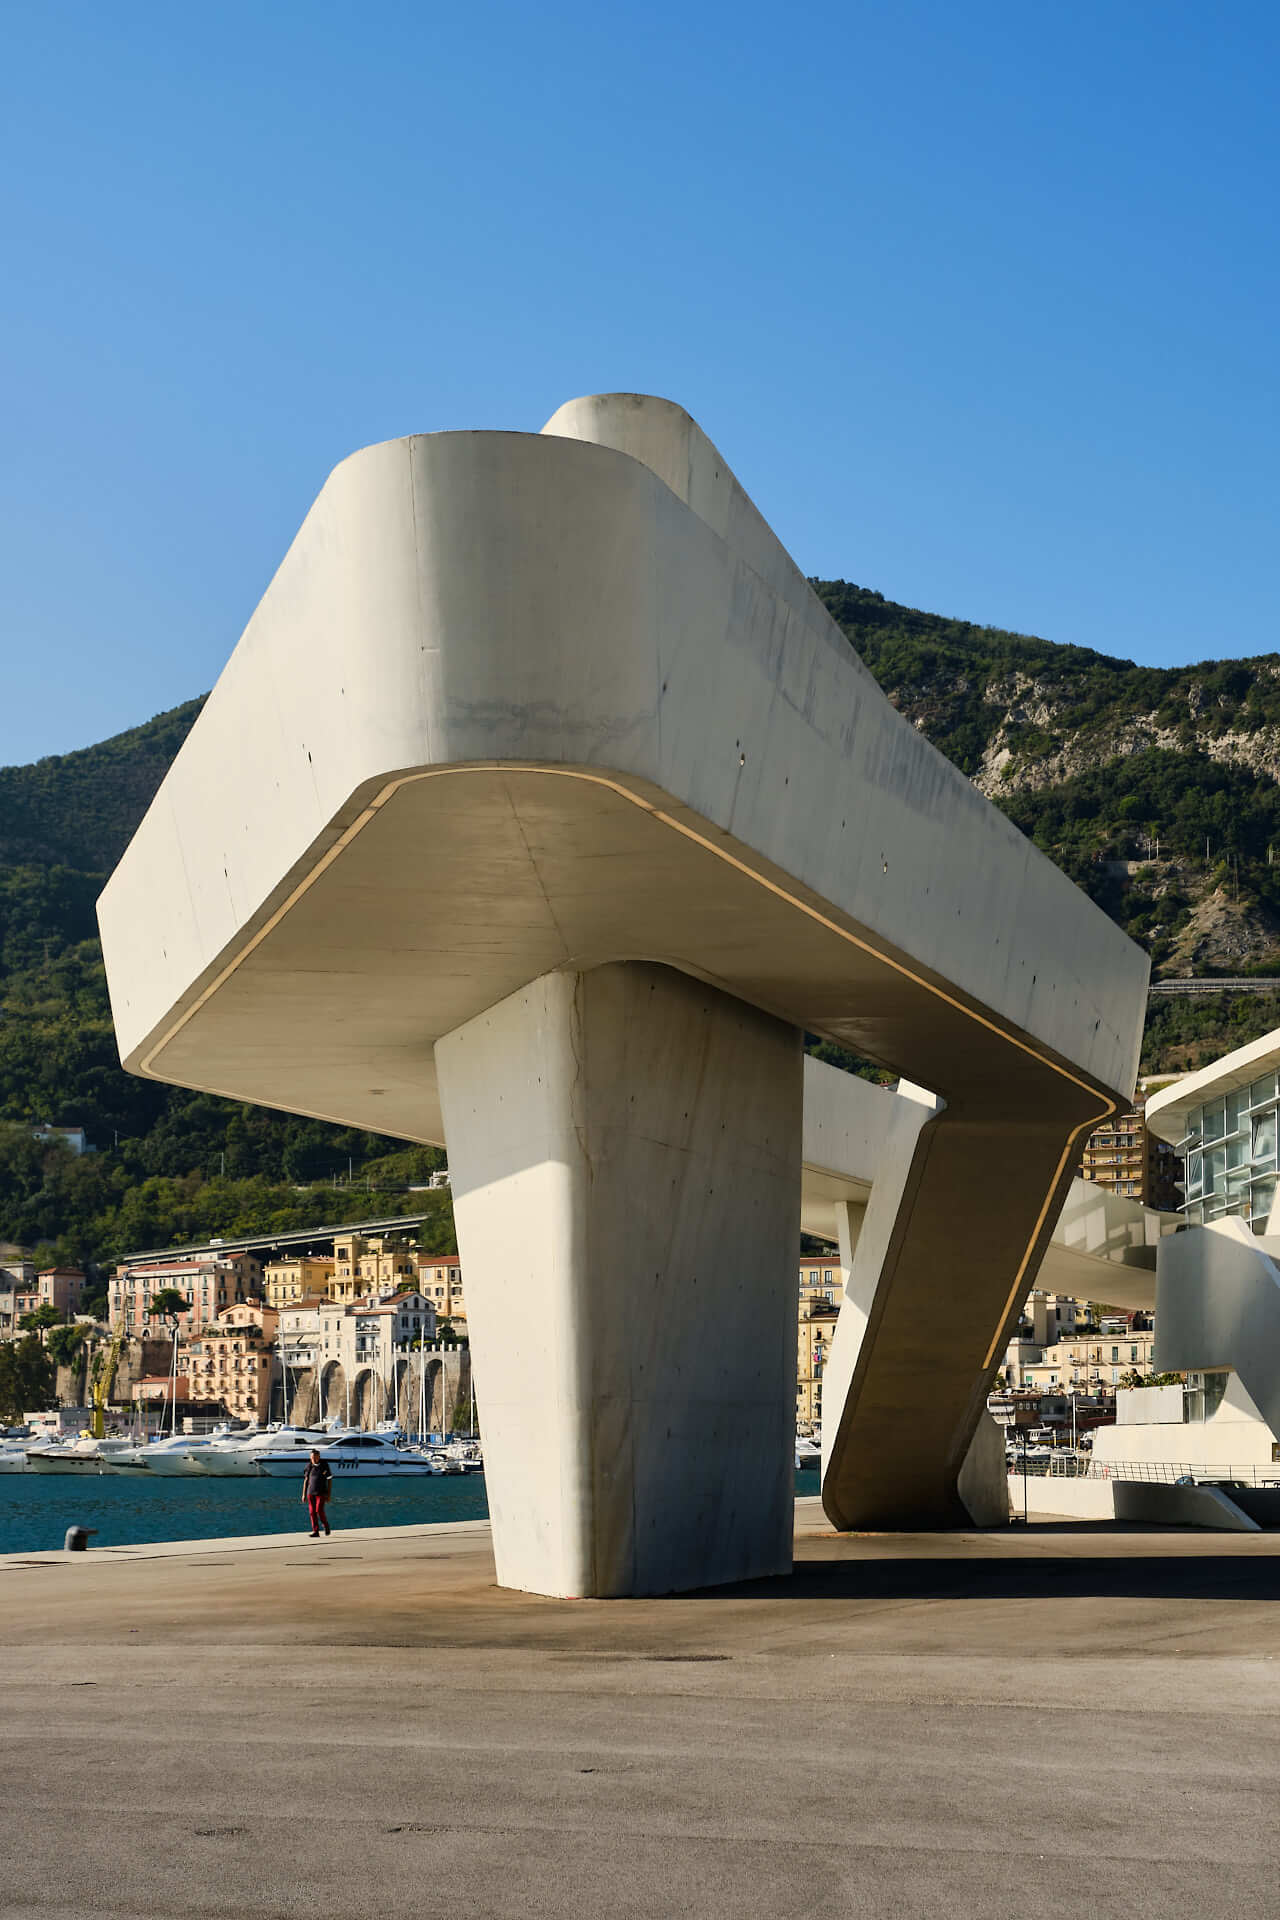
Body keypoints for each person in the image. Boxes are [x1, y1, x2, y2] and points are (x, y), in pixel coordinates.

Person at [302, 1448, 332, 1537]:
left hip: (321, 1492)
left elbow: (329, 1480)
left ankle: (326, 1525)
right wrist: (303, 1494)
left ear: (319, 1457)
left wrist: (328, 1495)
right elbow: (306, 1480)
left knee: (319, 1510)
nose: (314, 1459)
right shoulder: (309, 1466)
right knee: (312, 1512)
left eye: (315, 1457)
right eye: (312, 1457)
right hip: (310, 1492)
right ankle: (316, 1531)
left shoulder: (324, 1465)